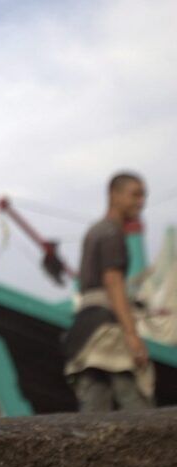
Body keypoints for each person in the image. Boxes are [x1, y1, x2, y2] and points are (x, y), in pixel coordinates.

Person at [63, 171, 154, 412]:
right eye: (135, 195)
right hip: (107, 328)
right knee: (138, 406)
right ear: (114, 195)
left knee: (93, 410)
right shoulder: (113, 232)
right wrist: (132, 334)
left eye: (143, 195)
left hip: (85, 330)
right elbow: (113, 282)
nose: (141, 202)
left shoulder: (96, 230)